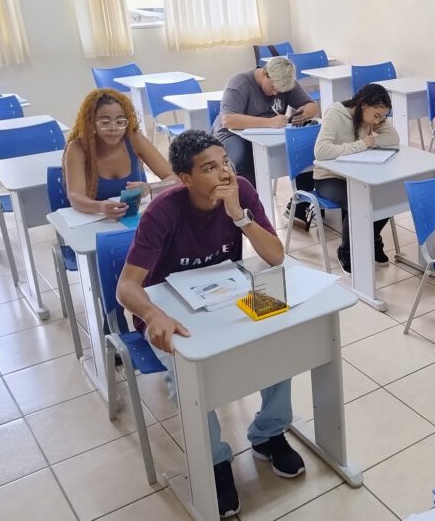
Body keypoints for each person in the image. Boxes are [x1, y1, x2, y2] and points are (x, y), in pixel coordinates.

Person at [116, 130, 301, 517]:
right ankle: (216, 460)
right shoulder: (163, 211)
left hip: (225, 295)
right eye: (209, 168)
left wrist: (239, 215)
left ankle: (267, 433)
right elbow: (127, 287)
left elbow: (275, 257)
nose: (223, 174)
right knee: (189, 376)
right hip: (169, 310)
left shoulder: (241, 190)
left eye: (225, 163)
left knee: (279, 340)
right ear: (185, 179)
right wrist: (153, 315)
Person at [214, 56, 320, 229]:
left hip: (269, 135)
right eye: (272, 88)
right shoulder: (239, 83)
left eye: (280, 90)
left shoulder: (283, 81)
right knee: (244, 158)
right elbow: (228, 120)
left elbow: (312, 106)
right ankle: (251, 216)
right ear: (264, 74)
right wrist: (269, 122)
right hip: (232, 134)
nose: (276, 93)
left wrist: (303, 113)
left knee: (306, 148)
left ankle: (300, 208)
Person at [313, 83, 400, 273]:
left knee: (387, 197)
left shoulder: (371, 118)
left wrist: (372, 140)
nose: (378, 122)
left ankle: (373, 238)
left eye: (382, 117)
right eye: (376, 115)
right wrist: (360, 145)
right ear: (363, 105)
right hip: (329, 177)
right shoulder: (336, 114)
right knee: (357, 201)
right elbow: (321, 151)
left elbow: (394, 138)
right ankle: (346, 250)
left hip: (357, 175)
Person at [64, 89, 176, 219]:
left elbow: (174, 178)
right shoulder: (77, 148)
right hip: (95, 219)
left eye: (120, 122)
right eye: (105, 122)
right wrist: (101, 207)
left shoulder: (135, 140)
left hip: (132, 220)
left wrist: (150, 188)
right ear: (91, 122)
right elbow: (75, 197)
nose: (113, 128)